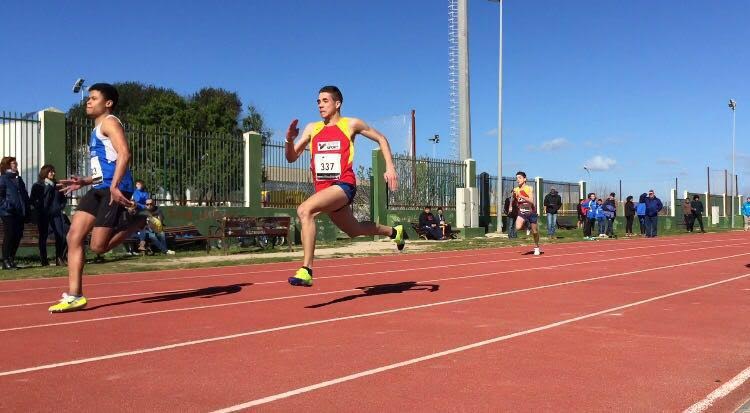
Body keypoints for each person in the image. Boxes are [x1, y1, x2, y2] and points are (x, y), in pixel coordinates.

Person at [285, 86, 405, 287]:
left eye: (325, 101)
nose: (320, 105)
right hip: (324, 191)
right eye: (318, 102)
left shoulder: (350, 124)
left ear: (337, 103)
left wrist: (390, 167)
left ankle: (306, 270)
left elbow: (381, 138)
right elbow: (291, 157)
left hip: (344, 185)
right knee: (354, 230)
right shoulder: (312, 128)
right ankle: (394, 232)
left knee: (305, 210)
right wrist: (289, 139)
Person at [48, 83, 145, 313]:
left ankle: (139, 220)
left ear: (108, 103)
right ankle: (75, 296)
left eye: (93, 98)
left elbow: (124, 153)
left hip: (116, 188)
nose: (88, 102)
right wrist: (85, 180)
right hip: (99, 187)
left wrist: (113, 186)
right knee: (73, 236)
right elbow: (106, 164)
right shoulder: (96, 129)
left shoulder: (110, 122)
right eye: (88, 98)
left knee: (99, 247)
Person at [30, 164, 68, 266]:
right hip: (43, 215)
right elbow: (34, 200)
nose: (53, 173)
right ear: (45, 173)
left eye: (53, 171)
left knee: (62, 235)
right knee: (43, 237)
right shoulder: (38, 185)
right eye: (50, 171)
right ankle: (44, 260)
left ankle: (59, 258)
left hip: (56, 214)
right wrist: (48, 187)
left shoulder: (57, 185)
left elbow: (63, 199)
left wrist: (60, 207)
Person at [0, 157, 30, 270]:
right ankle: (5, 260)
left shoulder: (18, 179)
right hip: (8, 213)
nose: (16, 164)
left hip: (19, 212)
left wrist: (27, 207)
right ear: (7, 165)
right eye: (13, 163)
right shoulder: (3, 179)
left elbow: (24, 195)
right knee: (10, 235)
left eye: (15, 162)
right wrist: (8, 206)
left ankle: (12, 258)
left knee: (17, 235)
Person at [513, 171, 541, 255]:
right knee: (517, 227)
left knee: (535, 232)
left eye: (520, 178)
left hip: (531, 212)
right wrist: (512, 205)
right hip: (521, 212)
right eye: (517, 178)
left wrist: (522, 196)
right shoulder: (516, 189)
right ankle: (527, 227)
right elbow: (514, 199)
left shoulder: (529, 188)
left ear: (525, 179)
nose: (518, 180)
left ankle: (536, 247)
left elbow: (532, 201)